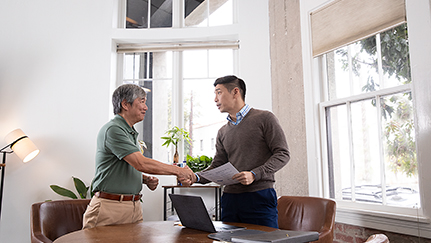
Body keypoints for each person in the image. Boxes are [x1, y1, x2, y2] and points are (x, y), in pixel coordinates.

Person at [82, 84, 195, 229]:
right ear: (125, 104)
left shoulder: (129, 132)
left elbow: (122, 167)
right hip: (110, 208)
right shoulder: (114, 129)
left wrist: (144, 179)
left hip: (133, 207)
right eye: (141, 101)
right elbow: (140, 163)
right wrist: (179, 170)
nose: (146, 107)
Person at [191, 75, 290, 228]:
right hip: (230, 199)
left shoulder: (265, 118)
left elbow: (283, 154)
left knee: (264, 240)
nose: (215, 99)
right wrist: (195, 177)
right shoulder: (222, 132)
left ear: (235, 92)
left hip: (259, 196)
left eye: (219, 92)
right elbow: (217, 165)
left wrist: (254, 174)